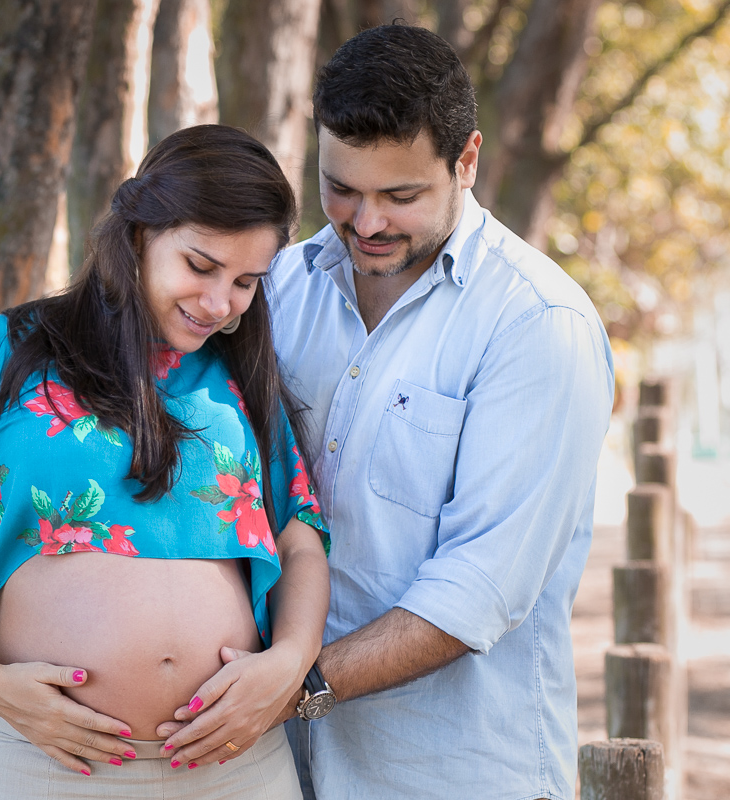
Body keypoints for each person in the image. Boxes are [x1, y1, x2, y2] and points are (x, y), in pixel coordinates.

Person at [160, 24, 615, 799]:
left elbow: (482, 586)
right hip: (268, 769)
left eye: (401, 197)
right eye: (341, 188)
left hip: (449, 775)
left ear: (466, 161)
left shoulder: (538, 325)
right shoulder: (277, 290)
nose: (366, 222)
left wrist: (295, 685)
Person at [0, 124, 330, 799]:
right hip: (50, 768)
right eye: (200, 266)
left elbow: (300, 538)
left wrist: (290, 661)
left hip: (238, 770)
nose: (219, 303)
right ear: (139, 234)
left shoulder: (242, 378)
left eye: (246, 282)